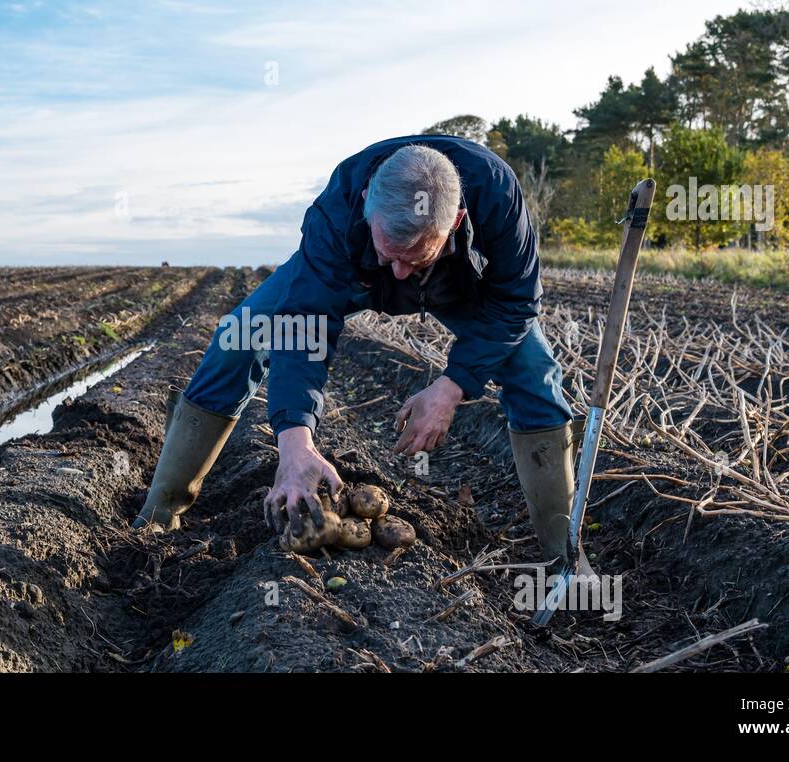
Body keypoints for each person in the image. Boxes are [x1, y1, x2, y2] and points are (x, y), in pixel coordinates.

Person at [131, 135, 594, 580]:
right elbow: (303, 325)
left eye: (415, 258)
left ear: (454, 223)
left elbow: (515, 304)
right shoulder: (336, 214)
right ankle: (158, 517)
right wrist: (294, 443)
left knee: (534, 374)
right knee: (237, 338)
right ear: (369, 202)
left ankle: (562, 557)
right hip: (354, 277)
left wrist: (452, 386)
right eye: (389, 252)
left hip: (461, 289)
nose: (400, 271)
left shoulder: (499, 196)